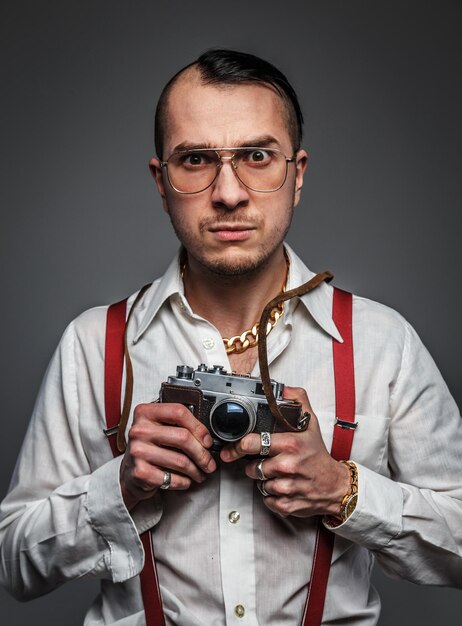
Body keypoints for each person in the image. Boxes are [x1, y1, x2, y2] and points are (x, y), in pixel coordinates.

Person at [0, 48, 461, 626]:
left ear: (297, 174)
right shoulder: (94, 345)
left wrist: (345, 491)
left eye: (257, 156)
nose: (229, 193)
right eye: (195, 160)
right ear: (161, 180)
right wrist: (119, 487)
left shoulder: (380, 342)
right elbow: (14, 565)